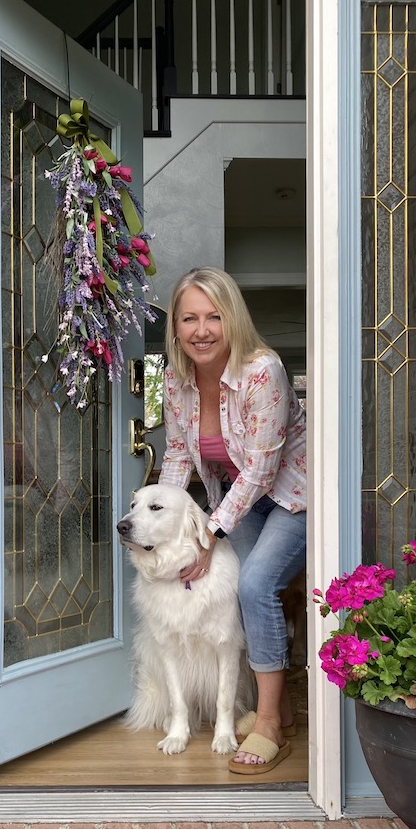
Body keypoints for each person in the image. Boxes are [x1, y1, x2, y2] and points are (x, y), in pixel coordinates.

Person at [158, 267, 307, 775]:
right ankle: (281, 711)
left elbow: (263, 470)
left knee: (255, 585)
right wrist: (166, 522)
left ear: (232, 319)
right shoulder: (176, 378)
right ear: (176, 326)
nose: (202, 330)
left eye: (214, 317)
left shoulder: (262, 369)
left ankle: (266, 725)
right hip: (237, 498)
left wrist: (209, 535)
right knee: (232, 583)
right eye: (190, 318)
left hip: (292, 498)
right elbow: (178, 455)